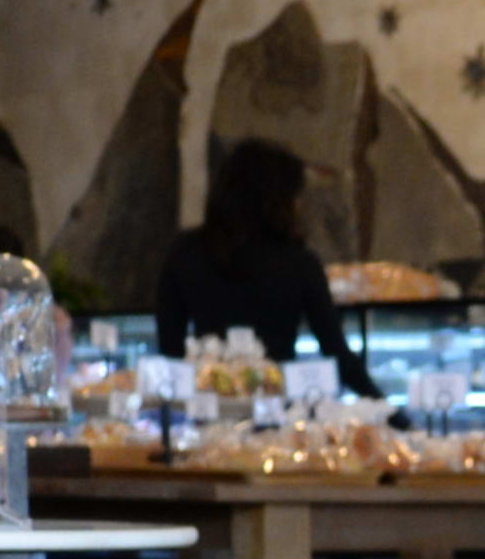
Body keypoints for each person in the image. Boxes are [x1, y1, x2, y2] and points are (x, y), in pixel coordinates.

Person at [155, 138, 380, 399]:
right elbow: (338, 355)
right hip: (278, 412)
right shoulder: (300, 262)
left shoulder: (185, 252)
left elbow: (170, 353)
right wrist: (397, 418)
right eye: (295, 195)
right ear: (278, 199)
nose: (299, 206)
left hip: (205, 405)